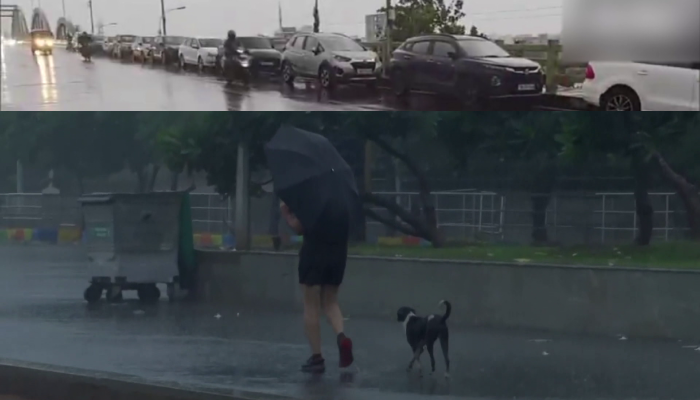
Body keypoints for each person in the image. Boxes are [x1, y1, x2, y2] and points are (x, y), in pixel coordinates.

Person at [280, 200, 354, 373]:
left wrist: (287, 214)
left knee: (311, 305)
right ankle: (341, 337)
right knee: (331, 302)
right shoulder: (342, 199)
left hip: (313, 255)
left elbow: (299, 228)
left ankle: (317, 357)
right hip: (338, 255)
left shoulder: (313, 196)